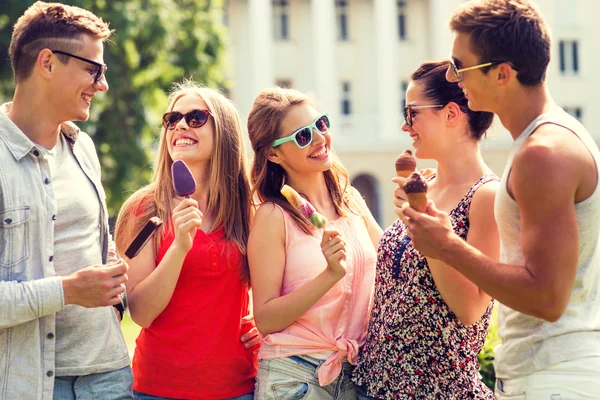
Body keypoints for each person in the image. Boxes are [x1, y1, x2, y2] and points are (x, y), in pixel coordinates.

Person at [401, 1, 600, 398]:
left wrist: (446, 246)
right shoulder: (542, 141)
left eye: (461, 66)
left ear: (503, 73)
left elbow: (547, 297)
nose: (455, 79)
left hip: (554, 378)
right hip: (544, 374)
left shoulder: (542, 153)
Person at [0, 2, 133, 399]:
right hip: (32, 384)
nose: (102, 84)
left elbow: (97, 245)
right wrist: (68, 292)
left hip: (109, 374)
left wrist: (116, 296)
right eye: (94, 69)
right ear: (47, 62)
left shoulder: (83, 146)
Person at [351, 60, 499, 399]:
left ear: (451, 114)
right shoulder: (425, 184)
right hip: (373, 385)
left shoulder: (487, 196)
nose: (406, 127)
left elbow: (471, 310)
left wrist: (424, 227)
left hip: (433, 390)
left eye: (412, 114)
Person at [114, 82, 259, 400]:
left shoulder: (248, 209)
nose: (180, 124)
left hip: (237, 388)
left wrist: (265, 323)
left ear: (223, 133)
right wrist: (179, 246)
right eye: (172, 118)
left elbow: (276, 287)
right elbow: (141, 313)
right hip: (159, 389)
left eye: (195, 117)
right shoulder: (143, 209)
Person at [246, 87, 381, 399]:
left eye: (321, 124)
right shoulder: (272, 216)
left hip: (354, 372)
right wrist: (329, 275)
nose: (321, 139)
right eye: (303, 136)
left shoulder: (351, 201)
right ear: (273, 153)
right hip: (294, 376)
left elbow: (391, 261)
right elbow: (265, 319)